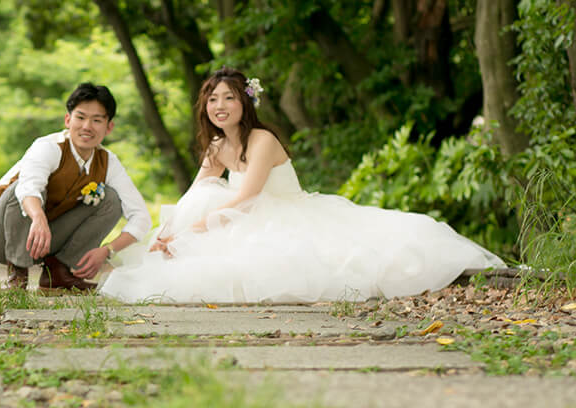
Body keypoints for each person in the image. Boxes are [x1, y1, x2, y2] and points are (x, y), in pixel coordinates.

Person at [100, 67, 504, 303]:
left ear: (245, 103)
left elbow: (246, 198)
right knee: (206, 193)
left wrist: (193, 231)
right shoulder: (218, 146)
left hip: (283, 213)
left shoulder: (263, 141)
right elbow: (193, 193)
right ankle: (168, 250)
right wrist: (170, 232)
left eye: (228, 98)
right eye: (211, 100)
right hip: (247, 218)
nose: (219, 106)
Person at [0, 82, 152, 292]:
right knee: (24, 188)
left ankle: (57, 274)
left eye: (97, 120)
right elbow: (28, 188)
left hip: (46, 237)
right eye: (80, 117)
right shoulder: (48, 147)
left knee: (111, 200)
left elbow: (141, 217)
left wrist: (107, 250)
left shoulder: (108, 162)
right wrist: (38, 217)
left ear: (109, 127)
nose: (87, 126)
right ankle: (18, 274)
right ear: (68, 120)